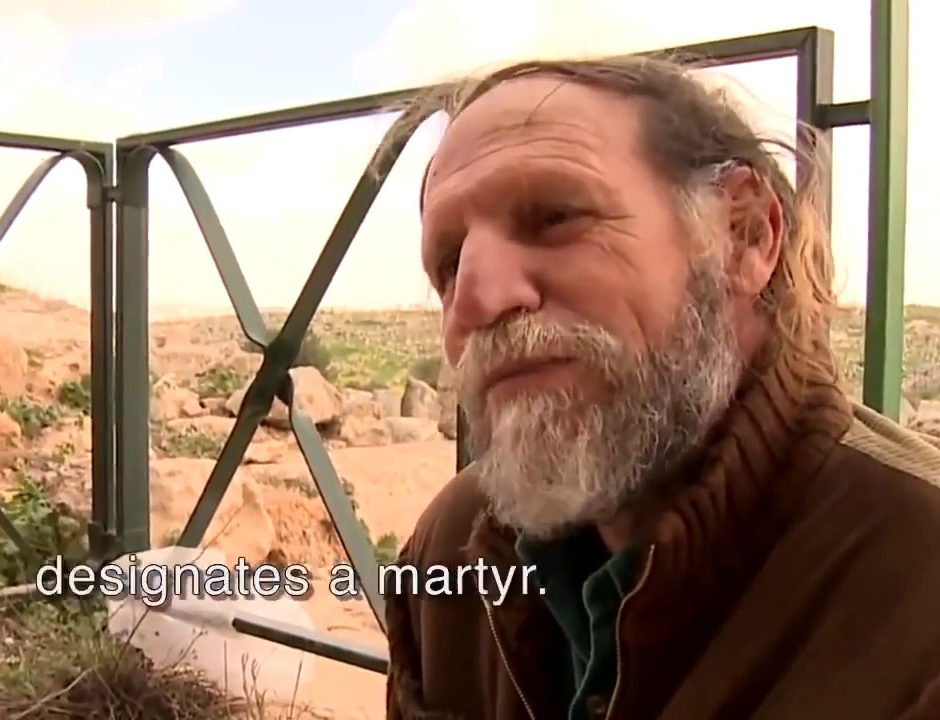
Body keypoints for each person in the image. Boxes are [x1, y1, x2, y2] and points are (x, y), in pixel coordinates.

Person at [383, 54, 940, 720]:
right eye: (449, 264)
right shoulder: (451, 552)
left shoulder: (918, 599)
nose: (474, 300)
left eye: (555, 216)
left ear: (744, 234)